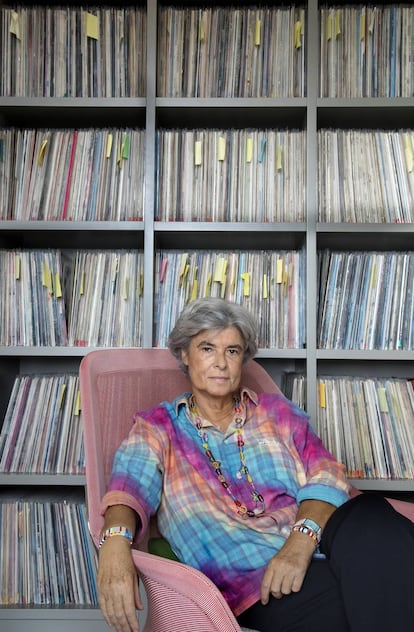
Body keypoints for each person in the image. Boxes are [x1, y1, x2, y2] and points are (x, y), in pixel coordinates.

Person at [97, 297, 414, 632]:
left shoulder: (277, 413)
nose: (221, 362)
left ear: (242, 359)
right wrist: (115, 542)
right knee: (372, 594)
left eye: (232, 351)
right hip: (254, 579)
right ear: (185, 355)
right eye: (207, 348)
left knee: (372, 513)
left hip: (320, 536)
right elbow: (126, 491)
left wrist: (300, 541)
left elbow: (327, 474)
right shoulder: (157, 427)